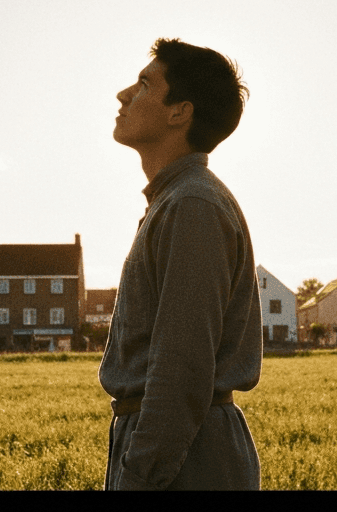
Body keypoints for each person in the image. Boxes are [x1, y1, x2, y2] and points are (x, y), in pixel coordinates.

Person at [100, 37, 262, 490]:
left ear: (179, 112)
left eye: (144, 85)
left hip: (189, 459)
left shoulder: (192, 205)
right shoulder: (175, 201)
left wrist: (139, 479)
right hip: (180, 449)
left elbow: (181, 370)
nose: (123, 95)